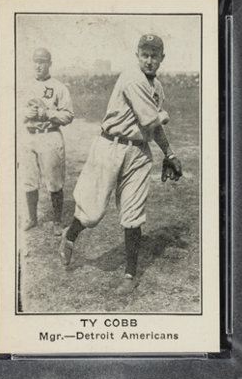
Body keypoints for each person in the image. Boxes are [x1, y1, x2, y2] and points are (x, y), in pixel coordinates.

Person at [59, 34, 182, 294]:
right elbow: (152, 121)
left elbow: (153, 129)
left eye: (154, 55)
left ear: (162, 58)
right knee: (91, 214)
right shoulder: (132, 77)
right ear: (137, 55)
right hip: (109, 147)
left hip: (138, 153)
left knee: (133, 215)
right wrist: (164, 115)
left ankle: (130, 274)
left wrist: (169, 154)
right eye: (145, 54)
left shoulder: (157, 87)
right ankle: (70, 235)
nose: (149, 60)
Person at [21, 47, 74, 235]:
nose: (38, 65)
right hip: (29, 136)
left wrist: (48, 113)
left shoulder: (59, 87)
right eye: (36, 61)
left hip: (50, 135)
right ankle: (32, 218)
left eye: (42, 61)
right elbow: (12, 110)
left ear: (49, 64)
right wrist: (24, 114)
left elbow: (68, 116)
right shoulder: (25, 85)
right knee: (28, 180)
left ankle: (57, 221)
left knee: (54, 181)